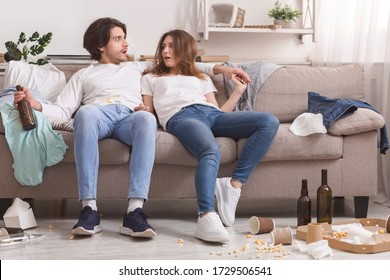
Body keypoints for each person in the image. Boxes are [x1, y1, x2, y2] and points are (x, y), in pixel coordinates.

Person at [13, 18, 250, 239]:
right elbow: (62, 111)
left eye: (124, 37)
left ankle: (135, 212)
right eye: (118, 39)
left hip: (130, 116)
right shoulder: (84, 75)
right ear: (100, 46)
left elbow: (187, 63)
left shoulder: (139, 67)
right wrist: (35, 105)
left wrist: (224, 70)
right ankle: (89, 209)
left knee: (147, 119)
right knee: (84, 112)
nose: (126, 43)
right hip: (98, 115)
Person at [141, 29, 279, 243]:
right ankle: (206, 215)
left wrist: (237, 93)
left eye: (171, 46)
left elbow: (218, 113)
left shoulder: (201, 77)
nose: (166, 51)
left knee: (268, 121)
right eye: (163, 46)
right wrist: (141, 111)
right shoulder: (151, 77)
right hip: (181, 117)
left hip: (211, 114)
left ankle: (234, 184)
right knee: (211, 150)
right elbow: (148, 112)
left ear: (184, 49)